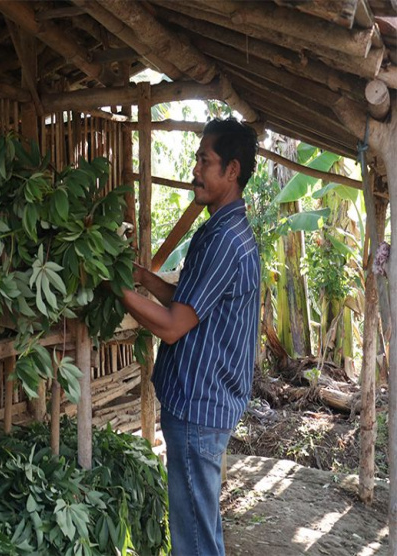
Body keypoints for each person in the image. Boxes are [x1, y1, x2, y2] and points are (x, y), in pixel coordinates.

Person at [120, 117, 260, 555]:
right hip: (201, 403)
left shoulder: (226, 240)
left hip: (200, 407)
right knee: (199, 524)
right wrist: (142, 277)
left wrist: (115, 286)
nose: (195, 169)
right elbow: (190, 298)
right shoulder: (221, 230)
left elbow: (174, 324)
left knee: (195, 538)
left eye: (205, 160)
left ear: (232, 171)